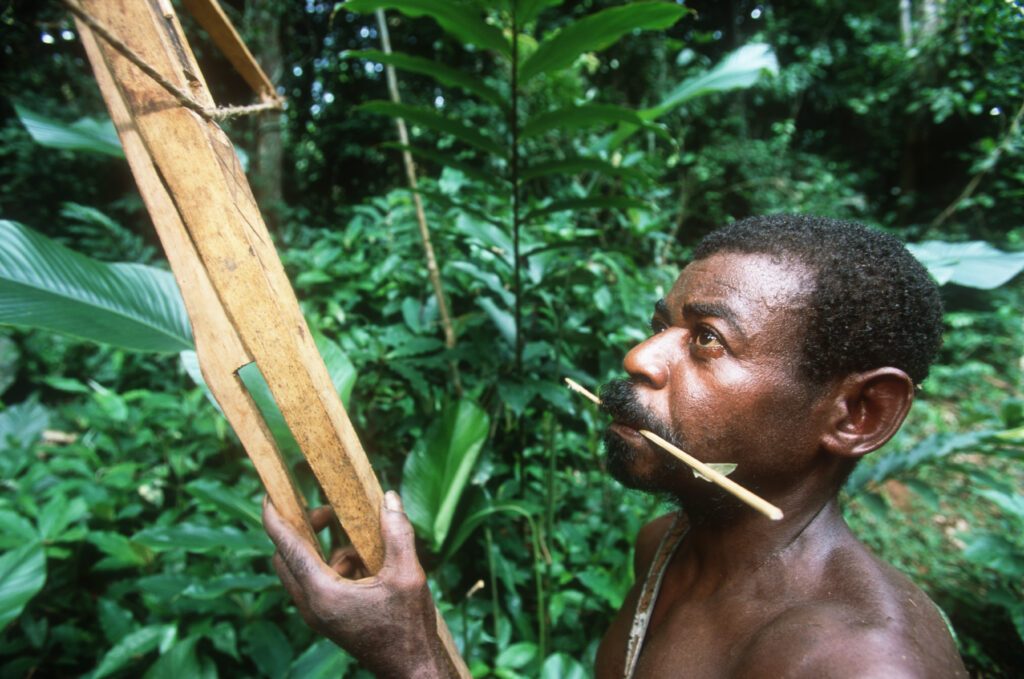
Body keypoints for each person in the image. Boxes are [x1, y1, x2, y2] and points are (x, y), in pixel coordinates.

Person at [263, 214, 969, 677]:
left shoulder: (860, 662)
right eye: (659, 324)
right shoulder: (663, 547)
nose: (639, 356)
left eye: (706, 340)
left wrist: (414, 658)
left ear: (857, 411)